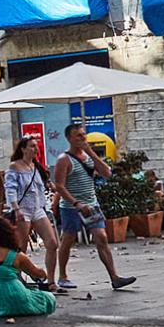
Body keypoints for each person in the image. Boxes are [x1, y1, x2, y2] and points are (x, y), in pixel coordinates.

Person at [52, 123, 136, 290]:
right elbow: (59, 186)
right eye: (78, 136)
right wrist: (76, 203)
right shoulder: (64, 159)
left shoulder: (88, 156)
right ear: (69, 138)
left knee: (102, 237)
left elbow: (106, 172)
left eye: (84, 135)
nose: (83, 138)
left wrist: (90, 152)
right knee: (68, 240)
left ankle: (114, 277)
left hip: (92, 204)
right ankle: (62, 275)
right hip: (71, 207)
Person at [5, 137, 62, 292]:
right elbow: (10, 190)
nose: (35, 149)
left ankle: (51, 280)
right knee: (21, 248)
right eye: (32, 146)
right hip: (23, 209)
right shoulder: (15, 167)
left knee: (52, 243)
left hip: (38, 209)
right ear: (23, 149)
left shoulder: (36, 167)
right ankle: (18, 279)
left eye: (36, 146)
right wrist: (16, 209)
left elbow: (43, 187)